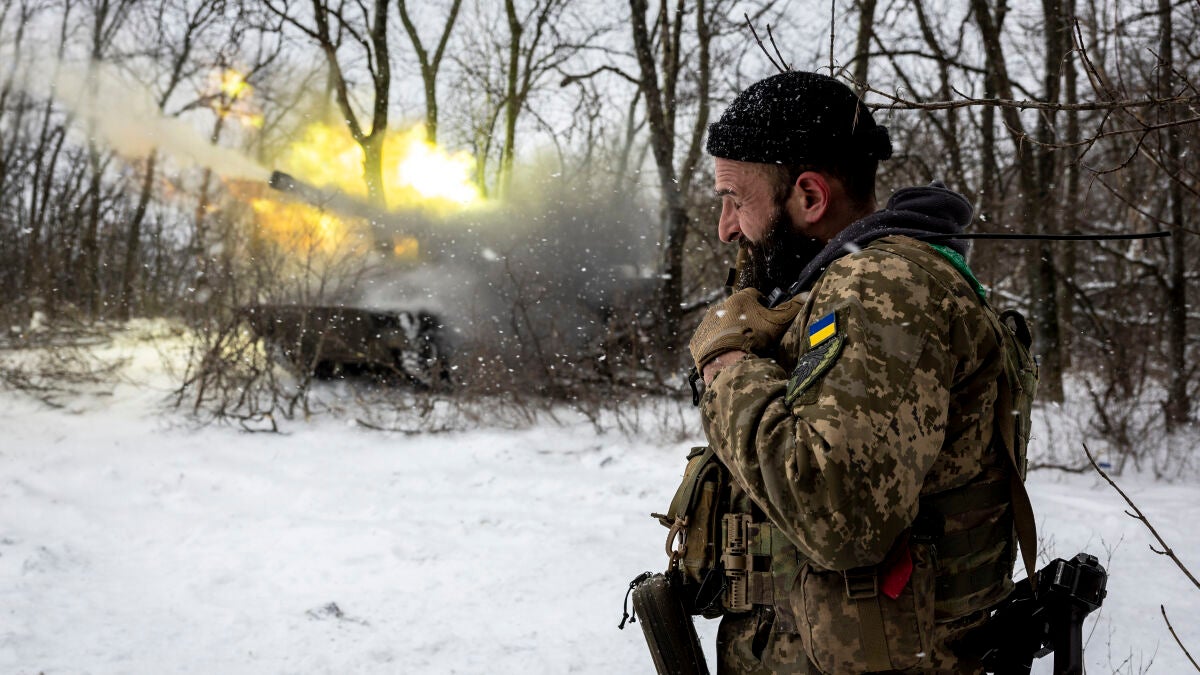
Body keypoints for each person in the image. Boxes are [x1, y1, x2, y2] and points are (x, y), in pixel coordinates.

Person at [685, 71, 1030, 674]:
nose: (726, 227)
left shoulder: (881, 287)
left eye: (736, 200)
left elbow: (838, 517)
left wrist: (727, 366)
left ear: (810, 197)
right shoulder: (845, 285)